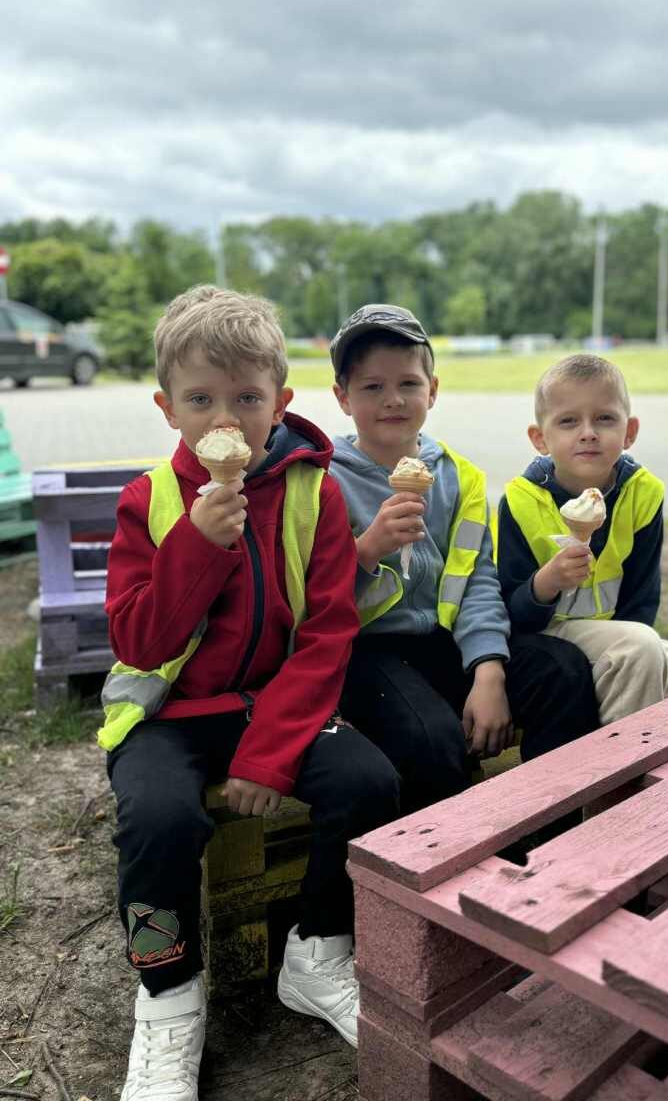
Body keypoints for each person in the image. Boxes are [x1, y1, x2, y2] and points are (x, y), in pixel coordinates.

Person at [101, 286, 400, 1099]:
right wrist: (195, 546)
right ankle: (167, 992)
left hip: (273, 705)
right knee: (160, 819)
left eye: (246, 398)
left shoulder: (315, 494)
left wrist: (269, 755)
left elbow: (327, 632)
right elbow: (137, 642)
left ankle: (317, 949)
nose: (223, 418)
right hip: (167, 715)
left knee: (369, 782)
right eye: (200, 400)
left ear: (281, 402)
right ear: (167, 408)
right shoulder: (148, 501)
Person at [327, 305, 598, 818]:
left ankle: (548, 835)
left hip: (444, 641)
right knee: (432, 739)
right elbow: (309, 597)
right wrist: (366, 550)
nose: (393, 399)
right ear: (343, 397)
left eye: (408, 384)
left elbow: (476, 579)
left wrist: (488, 669)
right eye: (372, 387)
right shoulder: (324, 480)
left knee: (562, 671)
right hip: (363, 653)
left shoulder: (460, 477)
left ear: (432, 391)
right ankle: (441, 854)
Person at [496, 352, 668, 726]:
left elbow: (641, 599)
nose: (588, 432)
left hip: (622, 638)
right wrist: (546, 582)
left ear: (629, 431)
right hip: (549, 636)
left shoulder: (643, 494)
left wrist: (627, 664)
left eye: (604, 418)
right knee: (638, 649)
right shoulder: (520, 502)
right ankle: (621, 762)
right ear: (540, 438)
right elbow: (510, 612)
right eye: (568, 421)